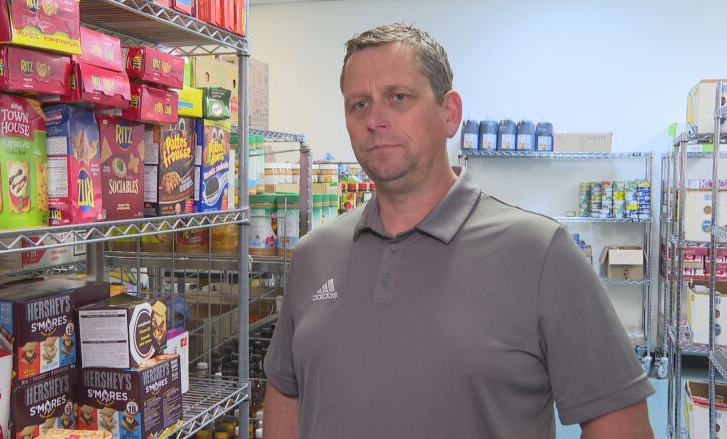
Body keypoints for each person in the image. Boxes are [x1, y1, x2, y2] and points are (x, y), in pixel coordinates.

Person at [263, 23, 655, 438]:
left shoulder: (540, 254)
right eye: (358, 104)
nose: (375, 119)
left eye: (398, 97)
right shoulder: (313, 256)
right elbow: (287, 394)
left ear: (450, 113)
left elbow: (620, 424)